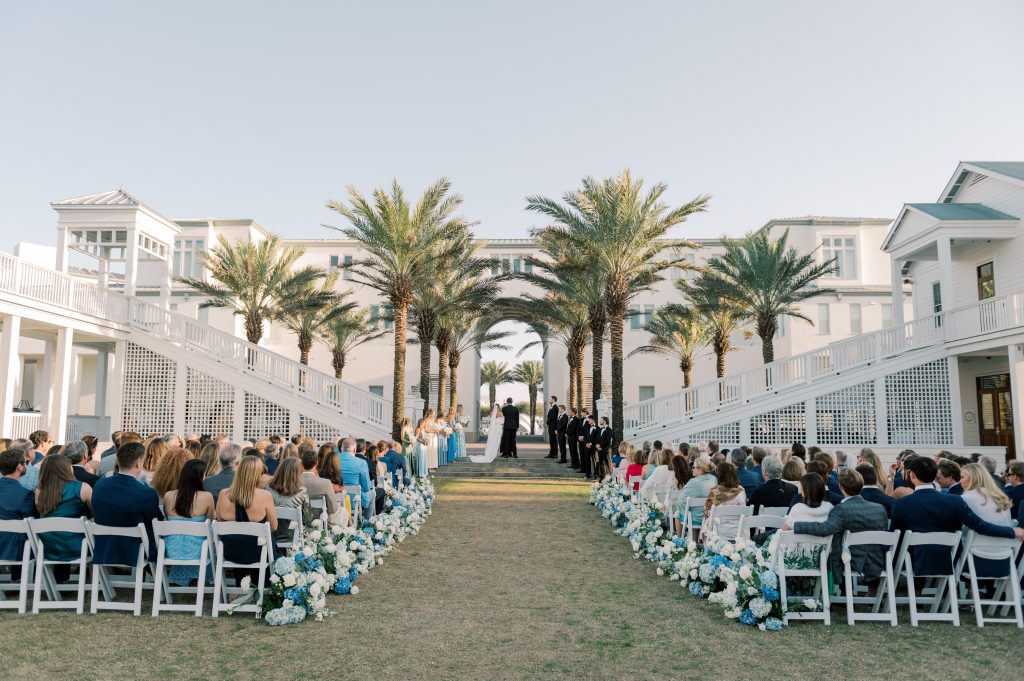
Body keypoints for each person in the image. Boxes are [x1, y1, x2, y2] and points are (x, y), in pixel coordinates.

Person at [889, 457, 1023, 578]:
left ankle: (914, 592)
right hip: (948, 559)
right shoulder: (954, 501)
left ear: (912, 475)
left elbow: (895, 537)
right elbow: (980, 525)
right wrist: (1011, 531)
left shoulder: (901, 503)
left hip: (914, 562)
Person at [787, 469, 889, 584]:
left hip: (852, 561)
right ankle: (872, 593)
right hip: (879, 560)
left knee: (832, 543)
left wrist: (794, 525)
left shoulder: (841, 509)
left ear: (840, 487)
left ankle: (835, 586)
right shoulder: (880, 508)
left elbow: (825, 529)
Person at [91, 442, 163, 567]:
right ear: (138, 463)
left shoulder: (100, 485)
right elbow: (156, 521)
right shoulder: (146, 493)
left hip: (103, 546)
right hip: (135, 549)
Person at [215, 455, 278, 583]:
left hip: (230, 551)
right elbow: (273, 527)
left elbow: (220, 523)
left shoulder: (223, 494)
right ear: (257, 474)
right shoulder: (265, 495)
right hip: (257, 552)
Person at [33, 455, 92, 581]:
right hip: (78, 547)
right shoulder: (82, 487)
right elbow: (96, 512)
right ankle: (94, 583)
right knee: (94, 536)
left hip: (49, 547)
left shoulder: (39, 492)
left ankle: (60, 579)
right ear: (67, 468)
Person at [162, 459, 215, 586]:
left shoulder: (168, 496)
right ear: (200, 477)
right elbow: (209, 523)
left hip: (173, 550)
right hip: (199, 551)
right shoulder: (207, 497)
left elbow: (168, 519)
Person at [0, 449, 35, 572]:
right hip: (13, 549)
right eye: (25, 462)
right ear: (19, 467)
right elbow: (31, 525)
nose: (26, 464)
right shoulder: (25, 494)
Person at [267, 458, 312, 543]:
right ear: (297, 474)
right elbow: (307, 518)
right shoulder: (302, 492)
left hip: (271, 535)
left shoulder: (268, 489)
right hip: (294, 536)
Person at [299, 448, 345, 522]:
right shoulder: (326, 483)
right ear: (317, 463)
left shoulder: (292, 482)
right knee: (345, 513)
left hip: (299, 519)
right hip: (321, 519)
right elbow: (333, 509)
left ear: (301, 464)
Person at [677, 455, 717, 536]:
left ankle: (679, 539)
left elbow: (680, 500)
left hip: (695, 518)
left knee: (678, 513)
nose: (692, 469)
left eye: (694, 467)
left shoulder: (693, 482)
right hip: (709, 516)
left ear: (700, 469)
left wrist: (686, 510)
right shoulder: (714, 479)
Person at [338, 438, 374, 515]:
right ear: (355, 450)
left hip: (337, 499)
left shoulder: (334, 460)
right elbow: (367, 487)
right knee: (373, 493)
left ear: (341, 449)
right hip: (354, 500)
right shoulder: (361, 462)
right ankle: (367, 521)